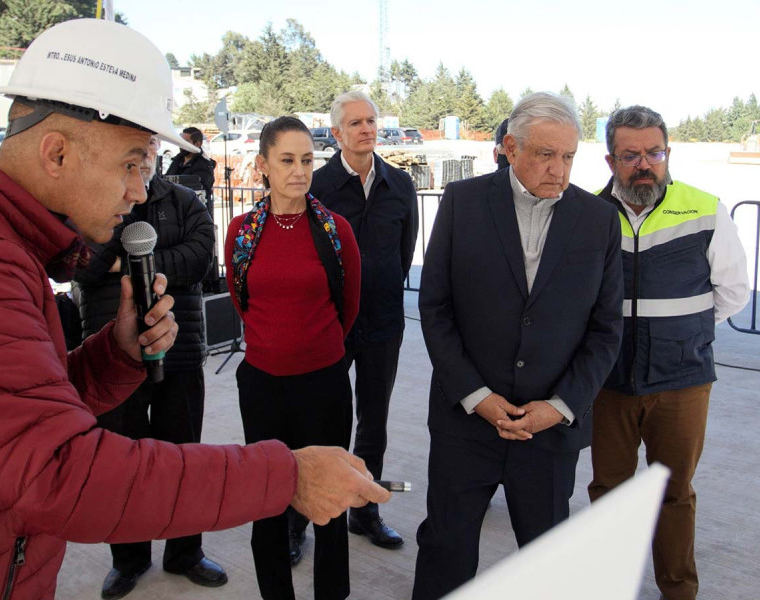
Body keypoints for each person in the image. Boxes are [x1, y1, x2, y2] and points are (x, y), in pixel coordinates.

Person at [0, 18, 389, 600]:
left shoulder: (5, 248)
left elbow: (17, 414)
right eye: (132, 162)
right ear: (57, 152)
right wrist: (285, 476)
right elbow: (60, 474)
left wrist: (114, 357)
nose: (141, 191)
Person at [412, 92, 624, 600]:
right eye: (546, 155)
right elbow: (436, 308)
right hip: (466, 424)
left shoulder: (598, 220)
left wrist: (560, 407)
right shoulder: (462, 203)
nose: (559, 169)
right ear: (510, 146)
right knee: (447, 549)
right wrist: (475, 395)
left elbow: (605, 330)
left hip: (548, 435)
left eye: (569, 157)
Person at [588, 105, 750, 600]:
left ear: (667, 153)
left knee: (673, 494)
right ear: (611, 159)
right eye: (631, 154)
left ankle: (678, 590)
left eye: (654, 152)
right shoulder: (589, 215)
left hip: (682, 382)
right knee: (609, 493)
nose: (645, 164)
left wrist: (688, 335)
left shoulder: (704, 208)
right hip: (609, 382)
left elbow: (734, 291)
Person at [73, 135, 226, 599]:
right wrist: (131, 258)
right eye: (131, 160)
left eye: (147, 156)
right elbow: (81, 266)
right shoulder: (96, 201)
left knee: (183, 459)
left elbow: (200, 257)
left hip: (178, 353)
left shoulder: (185, 201)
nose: (139, 172)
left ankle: (185, 553)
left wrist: (132, 260)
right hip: (111, 355)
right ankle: (129, 559)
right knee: (120, 464)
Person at [224, 116, 362, 600]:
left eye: (307, 160)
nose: (299, 171)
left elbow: (348, 306)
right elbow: (242, 300)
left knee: (330, 501)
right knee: (267, 501)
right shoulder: (242, 233)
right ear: (263, 166)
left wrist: (312, 350)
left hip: (323, 384)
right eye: (287, 160)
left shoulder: (334, 229)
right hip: (262, 385)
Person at [302, 90, 418, 553]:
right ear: (336, 134)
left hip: (385, 323)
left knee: (374, 423)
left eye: (371, 120)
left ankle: (364, 513)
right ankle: (303, 520)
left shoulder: (400, 184)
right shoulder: (318, 186)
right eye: (355, 123)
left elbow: (404, 251)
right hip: (332, 325)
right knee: (323, 423)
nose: (367, 129)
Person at [165, 126, 216, 203]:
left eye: (186, 142)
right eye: (181, 141)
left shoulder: (204, 164)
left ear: (197, 144)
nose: (182, 145)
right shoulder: (177, 160)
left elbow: (199, 190)